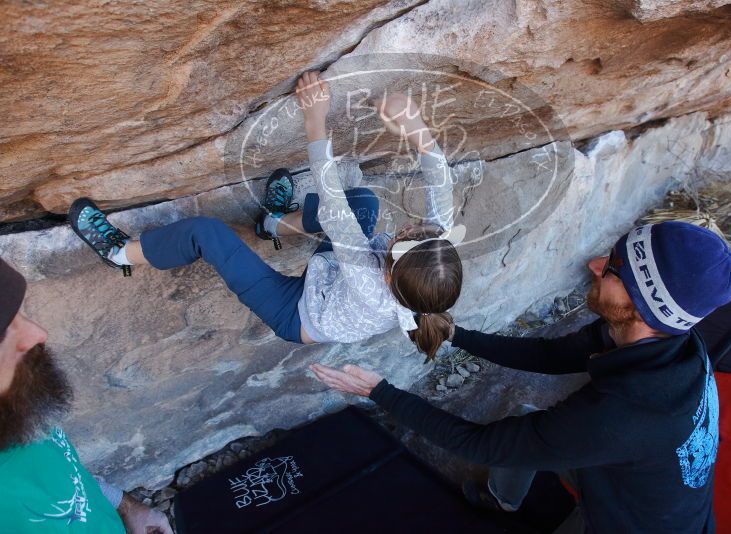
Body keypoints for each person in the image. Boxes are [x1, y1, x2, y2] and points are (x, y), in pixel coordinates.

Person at [311, 221, 731, 533]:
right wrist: (455, 333)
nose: (594, 264)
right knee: (523, 418)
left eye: (612, 269)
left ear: (643, 307)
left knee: (521, 446)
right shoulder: (672, 342)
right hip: (643, 484)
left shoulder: (622, 414)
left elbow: (479, 442)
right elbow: (550, 354)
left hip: (631, 523)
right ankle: (503, 500)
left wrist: (378, 390)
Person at [68, 72, 463, 359]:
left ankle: (119, 253)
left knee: (207, 234)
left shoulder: (365, 274)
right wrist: (416, 128)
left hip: (295, 314)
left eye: (405, 236)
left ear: (388, 274)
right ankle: (271, 222)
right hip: (331, 282)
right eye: (419, 230)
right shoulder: (431, 252)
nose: (410, 228)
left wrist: (314, 117)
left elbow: (331, 202)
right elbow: (440, 186)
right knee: (364, 199)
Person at [0, 258, 173, 533]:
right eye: (3, 333)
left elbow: (67, 476)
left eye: (20, 313)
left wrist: (125, 506)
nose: (39, 334)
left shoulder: (13, 410)